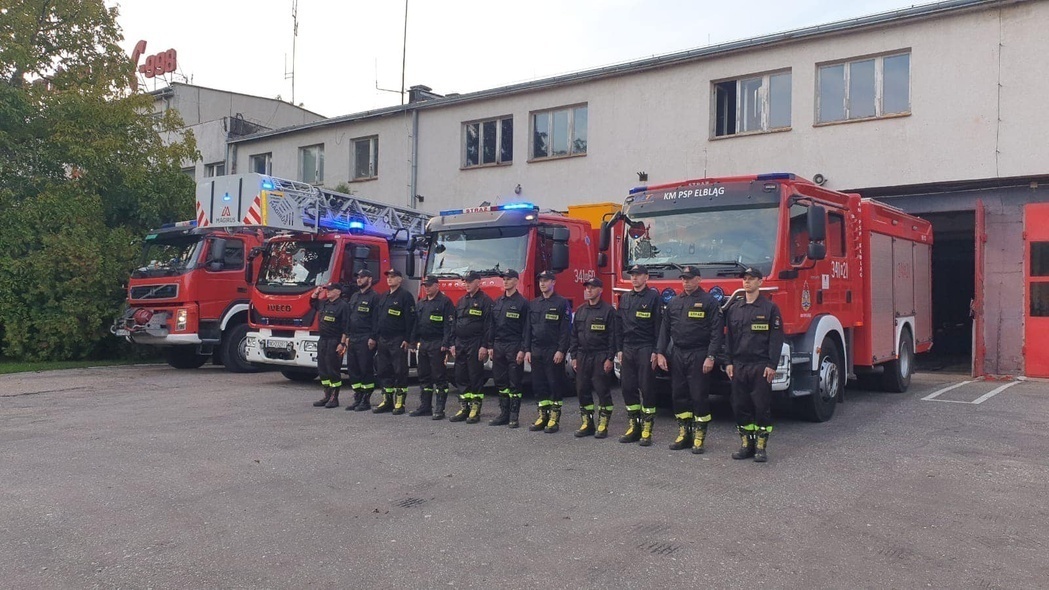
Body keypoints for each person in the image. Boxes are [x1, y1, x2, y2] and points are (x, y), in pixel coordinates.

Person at [656, 265, 724, 453]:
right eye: (683, 279)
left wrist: (711, 356)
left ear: (698, 280)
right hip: (678, 354)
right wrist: (660, 352)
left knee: (698, 395)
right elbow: (664, 329)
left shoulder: (709, 302)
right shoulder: (675, 302)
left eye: (689, 278)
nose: (686, 282)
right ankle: (684, 434)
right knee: (679, 395)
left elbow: (716, 332)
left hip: (699, 354)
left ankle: (699, 437)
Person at [724, 266, 784, 463]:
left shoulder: (769, 308)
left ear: (760, 282)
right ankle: (746, 444)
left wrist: (772, 364)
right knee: (740, 406)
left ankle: (761, 447)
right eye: (745, 279)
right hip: (739, 365)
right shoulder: (734, 309)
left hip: (760, 366)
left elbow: (776, 339)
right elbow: (730, 339)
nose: (747, 282)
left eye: (751, 279)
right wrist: (728, 362)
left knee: (761, 407)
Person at [614, 265, 663, 445]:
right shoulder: (626, 298)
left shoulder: (653, 297)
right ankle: (634, 426)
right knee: (627, 387)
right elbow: (618, 326)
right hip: (627, 348)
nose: (634, 278)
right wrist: (618, 349)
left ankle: (647, 430)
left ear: (646, 277)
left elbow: (659, 326)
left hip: (645, 347)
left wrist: (657, 351)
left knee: (647, 388)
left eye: (638, 275)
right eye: (633, 275)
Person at [569, 277, 617, 438]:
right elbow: (574, 335)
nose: (589, 290)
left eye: (592, 287)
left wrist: (610, 358)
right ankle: (587, 423)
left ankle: (603, 425)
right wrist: (574, 356)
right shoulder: (581, 310)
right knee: (582, 390)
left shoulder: (608, 311)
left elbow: (613, 337)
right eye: (587, 287)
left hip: (600, 355)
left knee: (602, 390)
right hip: (583, 356)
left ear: (600, 290)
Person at [525, 270, 572, 433]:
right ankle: (542, 416)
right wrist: (527, 349)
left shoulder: (561, 303)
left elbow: (565, 330)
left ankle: (554, 418)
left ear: (553, 282)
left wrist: (561, 350)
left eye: (546, 281)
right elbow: (528, 329)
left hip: (553, 350)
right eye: (540, 281)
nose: (542, 284)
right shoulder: (534, 304)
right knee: (539, 385)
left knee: (554, 384)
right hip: (536, 350)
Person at [487, 269, 529, 428]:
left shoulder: (522, 303)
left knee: (515, 382)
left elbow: (526, 328)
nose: (505, 281)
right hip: (499, 345)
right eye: (504, 279)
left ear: (516, 281)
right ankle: (503, 414)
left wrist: (522, 349)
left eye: (509, 279)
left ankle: (514, 416)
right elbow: (492, 325)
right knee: (500, 381)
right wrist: (490, 345)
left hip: (514, 345)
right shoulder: (498, 302)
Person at [449, 271, 493, 423]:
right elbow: (454, 323)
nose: (466, 284)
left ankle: (475, 408)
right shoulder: (461, 301)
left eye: (469, 281)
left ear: (478, 282)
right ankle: (464, 407)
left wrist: (484, 346)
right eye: (465, 281)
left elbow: (488, 326)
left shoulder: (485, 301)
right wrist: (453, 343)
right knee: (460, 376)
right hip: (460, 343)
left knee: (475, 375)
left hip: (476, 343)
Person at [372, 268, 416, 414]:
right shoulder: (384, 296)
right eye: (388, 277)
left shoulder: (405, 296)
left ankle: (399, 403)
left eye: (393, 277)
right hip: (383, 339)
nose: (390, 279)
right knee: (384, 371)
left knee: (399, 371)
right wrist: (376, 336)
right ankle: (387, 400)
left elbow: (410, 320)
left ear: (400, 279)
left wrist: (408, 339)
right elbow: (378, 318)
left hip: (398, 339)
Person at [413, 276, 455, 419]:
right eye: (425, 285)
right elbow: (416, 324)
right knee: (424, 375)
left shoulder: (445, 302)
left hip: (437, 344)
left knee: (439, 376)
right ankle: (425, 406)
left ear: (437, 286)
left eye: (430, 285)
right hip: (424, 343)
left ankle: (439, 409)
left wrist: (446, 343)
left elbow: (449, 325)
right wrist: (413, 341)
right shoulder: (421, 303)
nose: (427, 288)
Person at [309, 282, 349, 408]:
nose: (328, 292)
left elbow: (346, 327)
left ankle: (334, 398)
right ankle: (326, 396)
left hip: (334, 340)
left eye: (331, 290)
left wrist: (342, 343)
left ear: (338, 292)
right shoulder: (325, 303)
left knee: (333, 370)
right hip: (323, 340)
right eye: (327, 290)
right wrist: (316, 292)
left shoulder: (343, 306)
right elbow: (312, 303)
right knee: (323, 370)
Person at [346, 269, 380, 412]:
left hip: (366, 337)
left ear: (370, 279)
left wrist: (373, 337)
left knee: (365, 368)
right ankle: (357, 397)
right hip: (353, 337)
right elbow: (349, 317)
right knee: (353, 369)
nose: (359, 280)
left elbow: (376, 319)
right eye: (358, 277)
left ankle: (366, 400)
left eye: (362, 277)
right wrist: (346, 336)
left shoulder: (374, 297)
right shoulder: (354, 296)